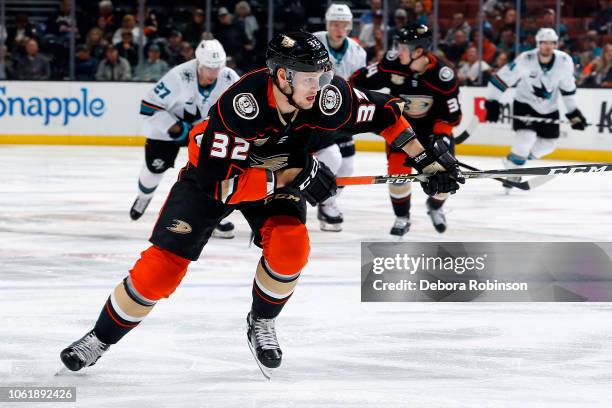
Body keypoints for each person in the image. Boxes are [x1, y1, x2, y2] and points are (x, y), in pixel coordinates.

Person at [60, 31, 463, 377]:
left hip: (278, 173)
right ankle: (98, 338)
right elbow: (221, 187)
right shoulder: (241, 106)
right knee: (159, 273)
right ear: (282, 76)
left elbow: (385, 115)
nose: (320, 86)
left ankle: (262, 322)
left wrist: (424, 158)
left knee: (291, 249)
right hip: (215, 178)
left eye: (322, 76)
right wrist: (294, 175)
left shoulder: (327, 97)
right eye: (310, 78)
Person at [351, 24, 462, 236]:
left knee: (445, 182)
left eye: (403, 47)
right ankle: (402, 217)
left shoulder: (443, 76)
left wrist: (442, 139)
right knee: (397, 176)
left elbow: (451, 117)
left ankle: (435, 207)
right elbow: (358, 80)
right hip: (401, 131)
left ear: (418, 51)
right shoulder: (392, 63)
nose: (397, 51)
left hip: (432, 134)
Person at [129, 39, 240, 239]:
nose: (213, 74)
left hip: (204, 133)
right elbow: (148, 106)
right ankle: (144, 196)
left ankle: (214, 217)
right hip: (169, 130)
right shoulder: (179, 76)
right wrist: (178, 129)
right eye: (208, 68)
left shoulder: (229, 77)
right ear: (198, 63)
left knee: (216, 169)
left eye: (217, 68)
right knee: (154, 168)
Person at [484, 28, 587, 193]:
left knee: (548, 145)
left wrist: (574, 112)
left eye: (551, 43)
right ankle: (511, 174)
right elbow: (502, 79)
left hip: (550, 107)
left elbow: (568, 90)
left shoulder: (564, 61)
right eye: (544, 43)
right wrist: (492, 102)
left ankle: (514, 160)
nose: (548, 46)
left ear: (555, 44)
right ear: (538, 44)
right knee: (526, 138)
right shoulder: (526, 59)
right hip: (525, 104)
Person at [311, 3, 367, 231]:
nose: (338, 28)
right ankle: (315, 195)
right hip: (312, 114)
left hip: (342, 116)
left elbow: (359, 87)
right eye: (334, 23)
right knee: (331, 159)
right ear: (327, 24)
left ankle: (327, 201)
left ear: (349, 26)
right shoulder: (313, 42)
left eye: (343, 24)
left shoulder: (358, 52)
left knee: (347, 168)